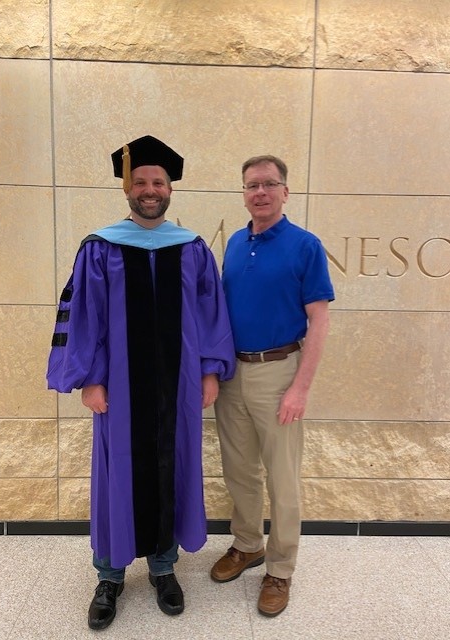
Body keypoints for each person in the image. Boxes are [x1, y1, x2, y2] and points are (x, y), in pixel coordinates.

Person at [47, 135, 235, 630]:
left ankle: (163, 567)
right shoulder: (100, 246)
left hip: (179, 383)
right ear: (127, 188)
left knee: (172, 465)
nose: (150, 189)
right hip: (120, 388)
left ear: (170, 188)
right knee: (117, 470)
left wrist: (211, 370)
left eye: (158, 182)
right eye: (141, 182)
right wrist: (90, 379)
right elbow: (84, 316)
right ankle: (109, 575)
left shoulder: (192, 247)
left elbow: (212, 312)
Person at [210, 154, 334, 617]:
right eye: (251, 185)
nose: (259, 192)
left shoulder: (305, 245)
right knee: (239, 469)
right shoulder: (237, 244)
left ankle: (280, 569)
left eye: (268, 184)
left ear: (285, 191)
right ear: (244, 194)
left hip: (280, 371)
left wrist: (300, 388)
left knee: (282, 478)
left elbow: (319, 321)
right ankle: (247, 545)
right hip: (232, 374)